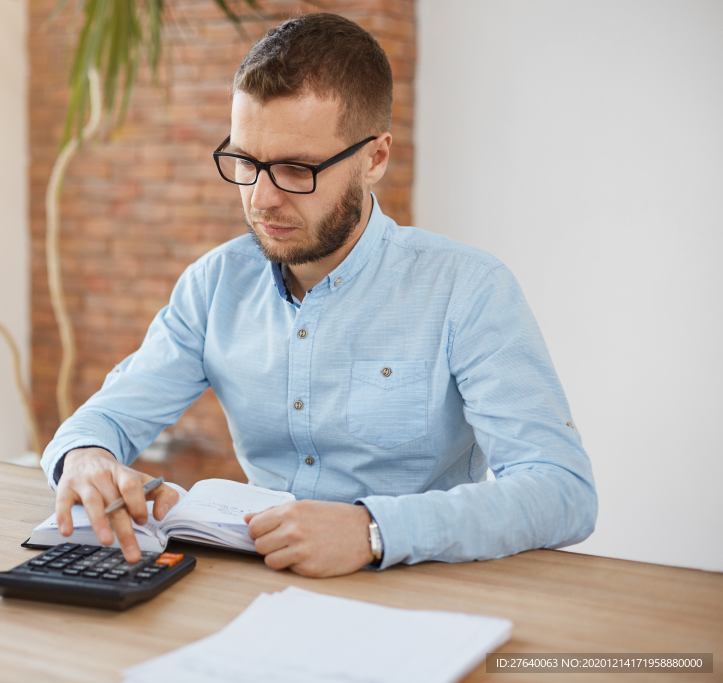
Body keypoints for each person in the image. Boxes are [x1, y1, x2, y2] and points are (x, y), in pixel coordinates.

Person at [41, 12, 597, 577]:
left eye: (295, 169)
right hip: (258, 584)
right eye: (246, 162)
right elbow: (104, 419)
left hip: (419, 592)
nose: (261, 200)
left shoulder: (468, 290)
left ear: (374, 158)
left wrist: (373, 530)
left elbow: (562, 491)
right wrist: (87, 458)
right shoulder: (215, 285)